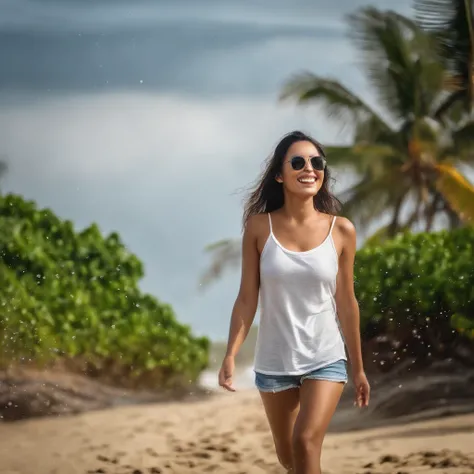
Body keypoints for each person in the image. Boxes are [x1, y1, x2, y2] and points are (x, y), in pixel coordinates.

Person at [218, 130, 370, 474]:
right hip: (274, 361)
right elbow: (246, 298)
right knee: (290, 459)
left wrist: (358, 368)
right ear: (279, 174)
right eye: (298, 162)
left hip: (325, 356)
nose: (309, 169)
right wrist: (230, 354)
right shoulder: (259, 228)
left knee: (305, 443)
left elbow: (347, 302)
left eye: (317, 162)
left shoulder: (341, 230)